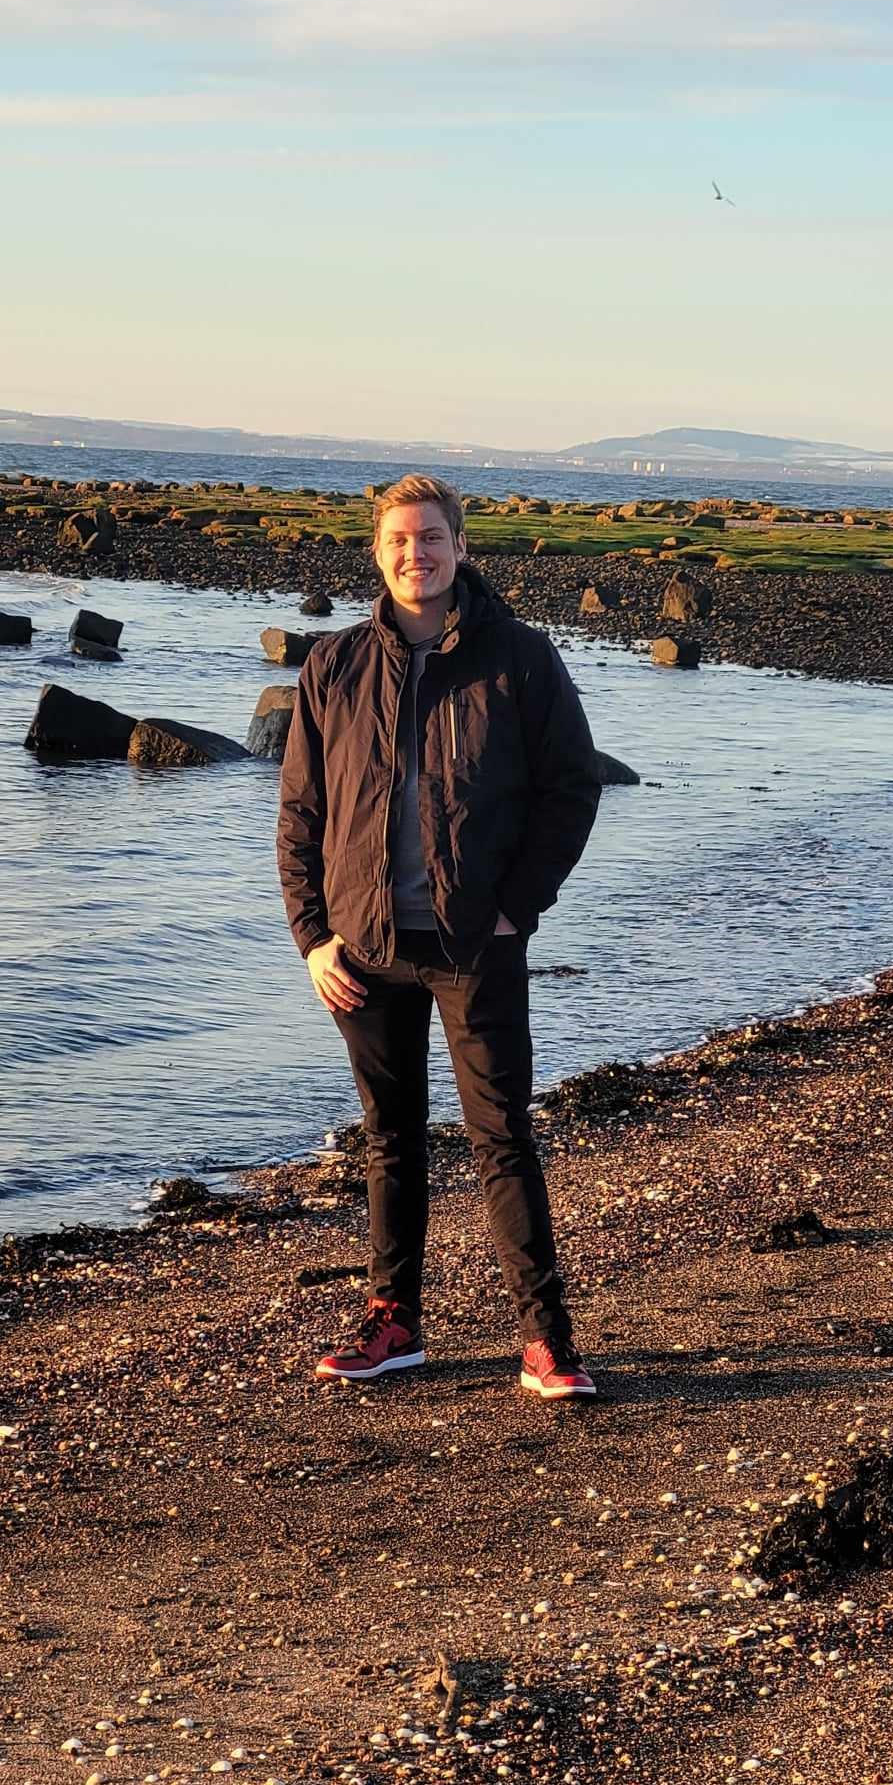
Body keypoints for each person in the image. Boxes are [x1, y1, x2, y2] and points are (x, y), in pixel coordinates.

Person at [276, 473, 602, 1398]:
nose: (413, 554)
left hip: (476, 945)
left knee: (502, 1137)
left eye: (429, 538)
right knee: (390, 1138)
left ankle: (546, 1342)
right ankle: (395, 1324)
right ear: (376, 554)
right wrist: (313, 938)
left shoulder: (521, 660)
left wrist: (517, 906)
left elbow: (570, 789)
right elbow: (301, 811)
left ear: (461, 547)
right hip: (364, 948)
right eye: (397, 542)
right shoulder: (333, 666)